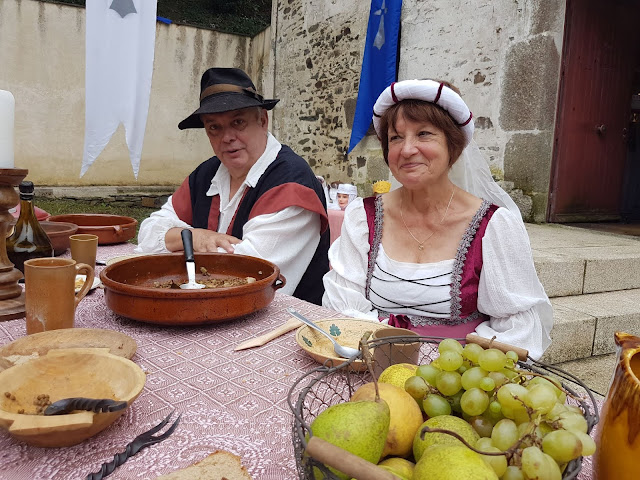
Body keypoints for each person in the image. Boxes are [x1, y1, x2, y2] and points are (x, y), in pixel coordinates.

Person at [322, 79, 553, 359]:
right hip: (373, 360)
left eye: (424, 134)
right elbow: (342, 302)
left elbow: (518, 326)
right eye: (396, 138)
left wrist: (452, 366)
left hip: (457, 371)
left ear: (453, 146)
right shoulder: (363, 216)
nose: (407, 150)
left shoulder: (493, 226)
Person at [136, 67, 330, 305]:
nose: (227, 137)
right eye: (214, 127)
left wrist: (176, 243)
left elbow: (249, 272)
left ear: (262, 121)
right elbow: (148, 233)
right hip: (203, 309)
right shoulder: (207, 174)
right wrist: (196, 237)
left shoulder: (292, 182)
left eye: (238, 122)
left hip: (284, 321)